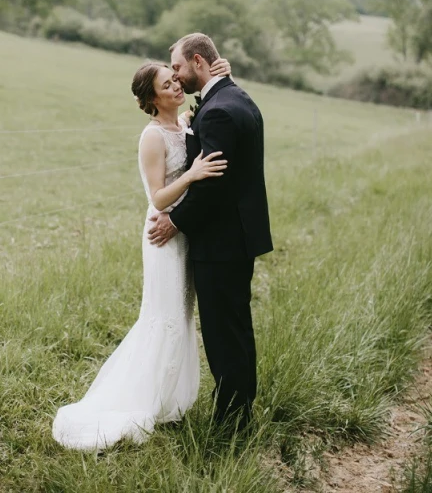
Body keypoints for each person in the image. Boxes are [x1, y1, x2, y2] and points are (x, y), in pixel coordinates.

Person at [52, 56, 231, 451]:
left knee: (181, 317)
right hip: (163, 236)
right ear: (152, 97)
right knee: (163, 317)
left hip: (184, 234)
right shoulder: (152, 136)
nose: (177, 87)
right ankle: (142, 400)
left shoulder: (181, 125)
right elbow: (157, 196)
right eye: (167, 85)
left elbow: (203, 98)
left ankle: (169, 400)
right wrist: (192, 174)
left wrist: (221, 73)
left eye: (176, 80)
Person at [149, 33, 273, 432]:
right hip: (238, 236)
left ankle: (234, 422)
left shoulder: (219, 110)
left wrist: (175, 221)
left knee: (224, 334)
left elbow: (213, 185)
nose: (177, 75)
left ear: (199, 62)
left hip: (222, 242)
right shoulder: (236, 97)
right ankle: (238, 412)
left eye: (180, 67)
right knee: (233, 328)